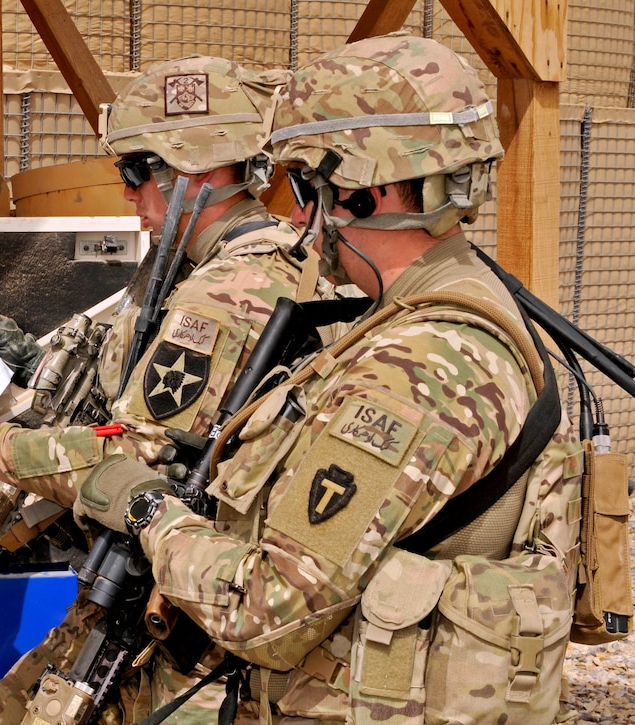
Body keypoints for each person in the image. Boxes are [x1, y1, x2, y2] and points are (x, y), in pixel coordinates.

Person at [68, 33, 584, 724]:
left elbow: (267, 610)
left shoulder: (418, 367)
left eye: (310, 187)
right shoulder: (462, 302)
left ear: (364, 195)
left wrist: (147, 509)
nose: (304, 222)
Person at [0, 56, 349, 724]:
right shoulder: (242, 263)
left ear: (197, 174)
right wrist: (35, 371)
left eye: (137, 171)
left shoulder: (224, 292)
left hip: (193, 608)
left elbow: (120, 458)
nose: (129, 195)